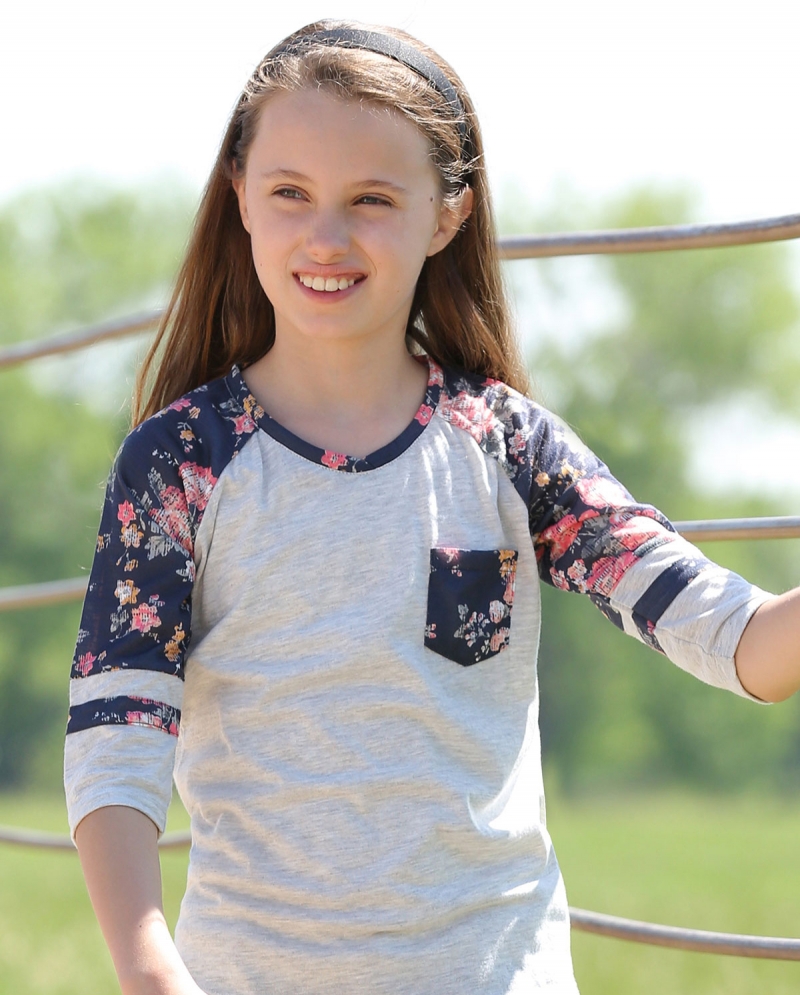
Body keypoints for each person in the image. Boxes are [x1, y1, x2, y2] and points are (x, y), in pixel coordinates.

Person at [63, 20, 800, 995]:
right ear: (239, 193)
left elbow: (736, 637)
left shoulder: (508, 446)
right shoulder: (179, 462)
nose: (326, 236)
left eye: (371, 199)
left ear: (446, 213)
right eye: (290, 192)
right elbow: (115, 742)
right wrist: (152, 968)